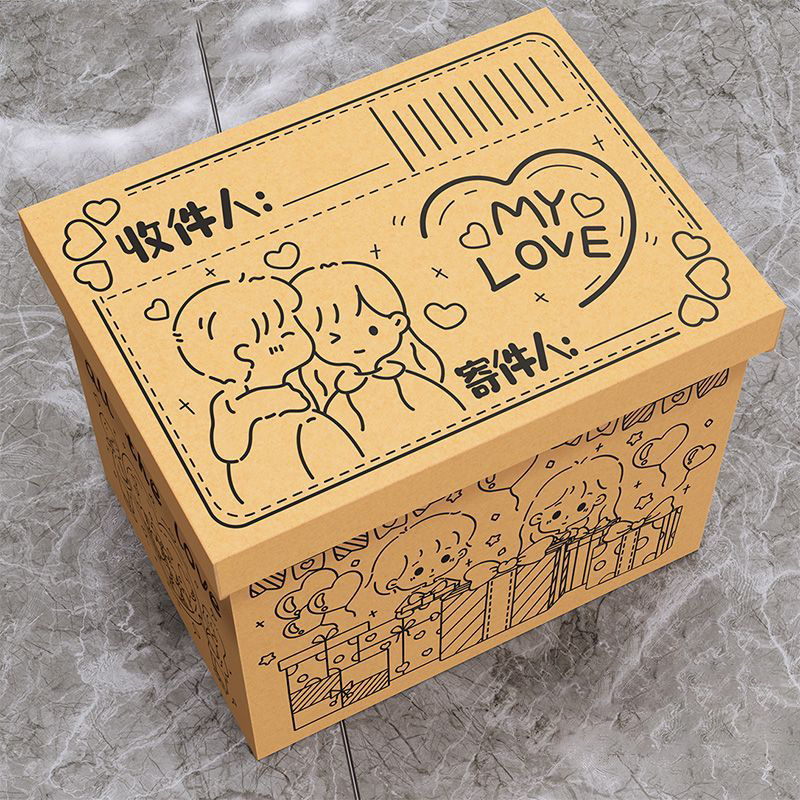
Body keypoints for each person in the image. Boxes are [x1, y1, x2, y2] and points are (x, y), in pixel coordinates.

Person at [172, 272, 362, 507]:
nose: (300, 332)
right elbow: (229, 450)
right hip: (282, 475)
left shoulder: (293, 387)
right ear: (246, 353)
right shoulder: (232, 403)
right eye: (286, 331)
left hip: (310, 461)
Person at [291, 260, 465, 454]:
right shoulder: (340, 403)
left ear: (397, 322)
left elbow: (450, 417)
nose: (356, 343)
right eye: (335, 338)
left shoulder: (412, 383)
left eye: (372, 330)